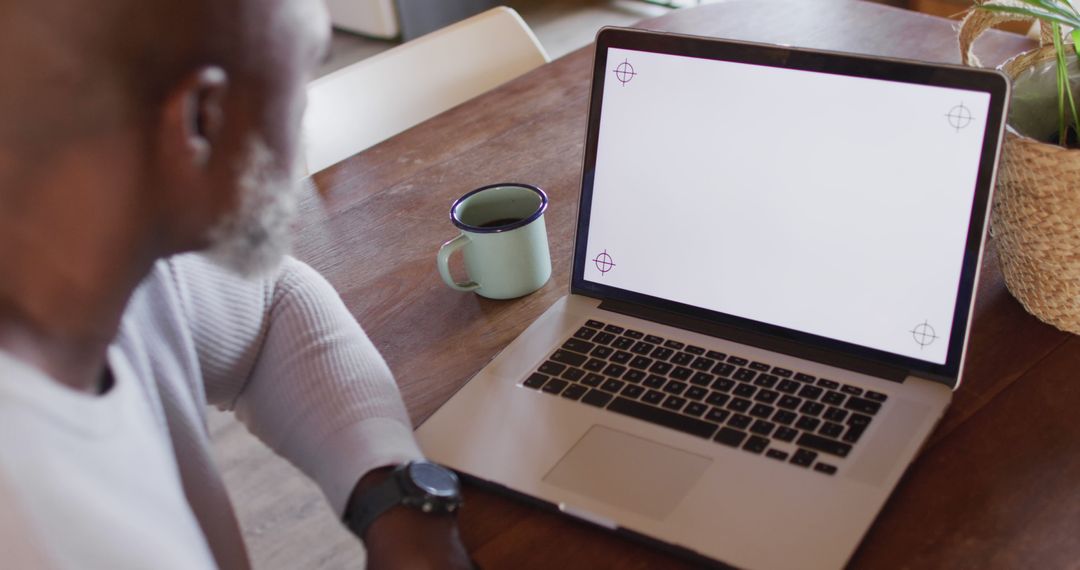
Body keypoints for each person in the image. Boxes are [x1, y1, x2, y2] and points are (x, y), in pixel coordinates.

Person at [0, 0, 472, 568]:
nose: (305, 134)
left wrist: (398, 502)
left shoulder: (97, 263)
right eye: (303, 83)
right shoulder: (47, 536)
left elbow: (275, 304)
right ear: (202, 120)